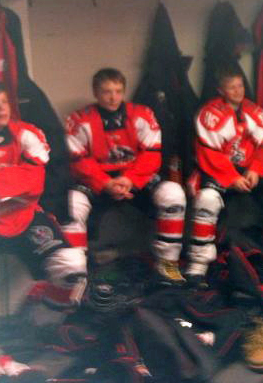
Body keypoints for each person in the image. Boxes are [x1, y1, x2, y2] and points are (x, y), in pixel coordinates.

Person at [0, 80, 86, 324]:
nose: (1, 108)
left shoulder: (27, 133)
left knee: (72, 267)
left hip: (22, 219)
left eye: (4, 102)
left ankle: (43, 321)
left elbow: (35, 179)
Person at [62, 68, 187, 284]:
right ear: (95, 92)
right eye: (106, 92)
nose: (113, 97)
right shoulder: (79, 120)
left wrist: (130, 179)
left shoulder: (142, 114)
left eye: (118, 91)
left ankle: (168, 264)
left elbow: (152, 154)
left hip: (133, 179)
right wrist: (105, 183)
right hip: (98, 181)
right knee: (72, 204)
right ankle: (76, 274)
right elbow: (78, 161)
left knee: (173, 194)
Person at [187, 65, 263, 284]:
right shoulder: (209, 115)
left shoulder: (256, 112)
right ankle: (199, 262)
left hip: (251, 169)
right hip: (221, 171)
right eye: (232, 87)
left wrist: (255, 169)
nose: (238, 91)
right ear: (220, 90)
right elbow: (209, 153)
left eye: (240, 85)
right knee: (207, 199)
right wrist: (231, 177)